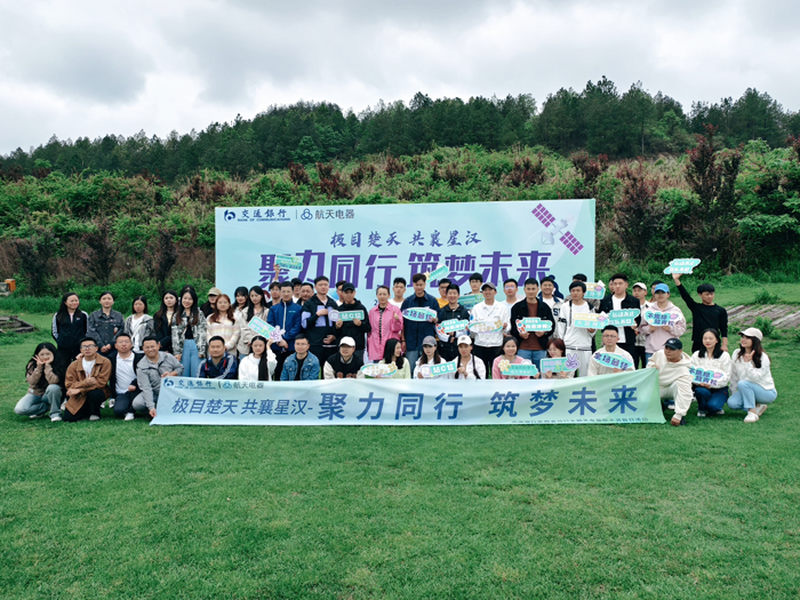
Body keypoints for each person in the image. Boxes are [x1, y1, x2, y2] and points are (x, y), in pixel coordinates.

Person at [728, 328, 777, 423]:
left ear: (755, 341)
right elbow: (733, 376)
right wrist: (733, 392)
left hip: (766, 391)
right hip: (746, 388)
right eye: (743, 337)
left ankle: (752, 412)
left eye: (747, 338)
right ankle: (758, 407)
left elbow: (755, 378)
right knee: (732, 403)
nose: (743, 340)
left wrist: (748, 363)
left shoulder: (763, 357)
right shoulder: (736, 353)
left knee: (743, 383)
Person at [672, 273, 729, 353]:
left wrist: (724, 345)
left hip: (714, 342)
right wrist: (676, 280)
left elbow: (724, 328)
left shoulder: (720, 310)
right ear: (700, 295)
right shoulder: (696, 308)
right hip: (698, 342)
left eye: (711, 294)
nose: (710, 296)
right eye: (707, 294)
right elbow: (685, 296)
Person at [132, 336, 183, 419]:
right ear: (143, 348)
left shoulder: (168, 356)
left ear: (158, 345)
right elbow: (146, 388)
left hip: (173, 390)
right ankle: (153, 412)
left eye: (152, 346)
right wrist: (151, 407)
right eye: (147, 347)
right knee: (137, 403)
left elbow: (180, 368)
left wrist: (171, 374)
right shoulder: (141, 366)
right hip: (155, 392)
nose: (150, 349)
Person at [509, 277, 556, 370]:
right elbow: (513, 328)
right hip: (523, 347)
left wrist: (544, 332)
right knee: (523, 374)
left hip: (540, 347)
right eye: (528, 289)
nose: (531, 291)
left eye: (533, 289)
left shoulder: (544, 307)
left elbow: (552, 326)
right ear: (524, 290)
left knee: (541, 373)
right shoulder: (517, 307)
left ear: (538, 290)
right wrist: (519, 334)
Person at [14, 342, 66, 422]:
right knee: (20, 409)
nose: (45, 357)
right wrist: (39, 367)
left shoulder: (59, 363)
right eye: (42, 354)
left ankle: (55, 414)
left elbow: (53, 381)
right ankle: (45, 408)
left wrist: (47, 366)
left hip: (52, 394)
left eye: (48, 354)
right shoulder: (32, 364)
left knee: (53, 387)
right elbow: (32, 382)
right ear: (37, 355)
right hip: (35, 393)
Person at [63, 337, 112, 422]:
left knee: (95, 394)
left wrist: (80, 390)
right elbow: (69, 385)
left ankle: (95, 413)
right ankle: (86, 410)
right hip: (79, 395)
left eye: (90, 346)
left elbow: (101, 383)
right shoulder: (74, 365)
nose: (87, 349)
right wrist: (86, 382)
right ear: (80, 350)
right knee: (69, 418)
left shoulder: (105, 362)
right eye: (84, 347)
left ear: (96, 348)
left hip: (96, 391)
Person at [647, 337, 693, 426]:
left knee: (679, 386)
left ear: (680, 351)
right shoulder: (659, 354)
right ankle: (659, 406)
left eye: (672, 349)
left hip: (671, 389)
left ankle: (679, 414)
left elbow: (686, 393)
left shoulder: (684, 369)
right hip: (656, 387)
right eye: (666, 348)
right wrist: (652, 365)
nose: (668, 351)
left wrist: (678, 415)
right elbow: (651, 361)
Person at [400, 273, 440, 373]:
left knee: (428, 371)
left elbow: (439, 320)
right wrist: (403, 340)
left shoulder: (432, 301)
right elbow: (402, 323)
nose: (419, 287)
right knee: (411, 369)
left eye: (421, 285)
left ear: (425, 284)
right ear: (413, 285)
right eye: (416, 285)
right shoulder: (407, 302)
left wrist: (435, 320)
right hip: (411, 343)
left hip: (428, 343)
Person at [555, 281, 596, 377]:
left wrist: (592, 331)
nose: (575, 293)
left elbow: (594, 325)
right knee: (568, 375)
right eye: (573, 291)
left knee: (585, 375)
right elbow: (561, 325)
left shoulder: (589, 307)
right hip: (569, 345)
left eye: (578, 290)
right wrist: (561, 342)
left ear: (583, 293)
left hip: (585, 345)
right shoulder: (565, 306)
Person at [470, 282, 510, 375]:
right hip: (480, 344)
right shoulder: (476, 308)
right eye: (485, 290)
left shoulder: (502, 308)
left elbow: (508, 325)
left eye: (490, 290)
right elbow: (472, 325)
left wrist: (505, 326)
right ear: (482, 293)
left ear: (495, 292)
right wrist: (470, 328)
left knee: (497, 372)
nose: (487, 292)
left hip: (496, 345)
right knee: (480, 372)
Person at [690, 328, 732, 418]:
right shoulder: (696, 355)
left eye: (710, 338)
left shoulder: (724, 356)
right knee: (700, 391)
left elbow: (727, 376)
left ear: (717, 340)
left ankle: (714, 406)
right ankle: (701, 409)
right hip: (702, 387)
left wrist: (711, 385)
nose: (707, 341)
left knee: (713, 407)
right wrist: (698, 382)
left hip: (719, 388)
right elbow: (691, 372)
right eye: (705, 338)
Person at [640, 283, 687, 361]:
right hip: (651, 350)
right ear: (654, 295)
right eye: (658, 293)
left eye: (663, 293)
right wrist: (649, 329)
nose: (660, 295)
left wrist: (670, 328)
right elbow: (641, 329)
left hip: (671, 349)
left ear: (668, 294)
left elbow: (682, 329)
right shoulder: (649, 311)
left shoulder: (675, 311)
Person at [598, 273, 640, 358]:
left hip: (628, 340)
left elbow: (638, 318)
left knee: (629, 362)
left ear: (626, 285)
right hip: (610, 341)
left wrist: (635, 325)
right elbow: (601, 318)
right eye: (615, 284)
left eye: (620, 283)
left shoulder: (633, 301)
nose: (617, 286)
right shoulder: (605, 301)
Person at [267, 281, 303, 379]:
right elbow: (270, 325)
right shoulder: (274, 309)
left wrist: (285, 339)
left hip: (291, 346)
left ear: (293, 292)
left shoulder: (298, 308)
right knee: (277, 373)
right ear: (280, 292)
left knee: (292, 374)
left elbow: (297, 326)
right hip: (276, 347)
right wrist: (279, 340)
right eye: (283, 291)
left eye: (288, 291)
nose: (286, 294)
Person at [301, 275, 339, 367]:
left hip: (331, 345)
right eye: (320, 285)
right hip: (315, 344)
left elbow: (337, 323)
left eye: (325, 285)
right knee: (314, 369)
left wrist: (334, 336)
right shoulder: (309, 303)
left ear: (328, 287)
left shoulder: (333, 303)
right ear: (315, 287)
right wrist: (317, 315)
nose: (323, 287)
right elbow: (304, 324)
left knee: (329, 370)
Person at [172, 287, 208, 378]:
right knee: (183, 373)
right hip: (183, 346)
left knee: (197, 373)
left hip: (196, 345)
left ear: (194, 300)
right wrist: (177, 352)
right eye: (185, 298)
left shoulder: (199, 313)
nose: (187, 301)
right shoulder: (177, 315)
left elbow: (202, 332)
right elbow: (175, 335)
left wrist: (202, 349)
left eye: (190, 299)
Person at [109, 333, 144, 420]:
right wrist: (82, 356)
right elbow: (97, 359)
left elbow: (144, 374)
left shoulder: (139, 358)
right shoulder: (111, 359)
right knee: (119, 411)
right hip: (122, 392)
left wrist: (134, 384)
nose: (124, 344)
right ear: (116, 346)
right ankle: (127, 407)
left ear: (131, 345)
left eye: (126, 342)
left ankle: (131, 411)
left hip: (137, 389)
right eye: (120, 342)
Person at [367, 285, 404, 363]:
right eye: (380, 294)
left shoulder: (395, 310)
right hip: (376, 347)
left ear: (389, 295)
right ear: (377, 295)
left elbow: (398, 329)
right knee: (378, 369)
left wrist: (397, 320)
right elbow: (370, 331)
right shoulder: (372, 311)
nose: (382, 296)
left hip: (390, 347)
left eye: (384, 294)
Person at [52, 292, 88, 365]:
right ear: (65, 302)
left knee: (79, 366)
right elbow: (54, 331)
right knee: (63, 367)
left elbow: (88, 330)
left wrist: (83, 343)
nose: (74, 303)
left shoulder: (83, 315)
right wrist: (61, 341)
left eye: (76, 300)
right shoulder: (58, 315)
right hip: (63, 348)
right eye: (71, 301)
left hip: (79, 348)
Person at [436, 283, 471, 361]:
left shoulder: (464, 311)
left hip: (460, 349)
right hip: (444, 349)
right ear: (446, 295)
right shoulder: (442, 311)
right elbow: (438, 329)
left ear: (458, 295)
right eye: (450, 293)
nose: (452, 296)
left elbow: (468, 330)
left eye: (454, 293)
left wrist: (455, 334)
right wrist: (448, 338)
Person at [335, 282, 371, 355]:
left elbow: (368, 328)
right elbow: (334, 332)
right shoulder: (339, 310)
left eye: (351, 292)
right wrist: (337, 327)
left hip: (358, 347)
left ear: (354, 293)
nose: (349, 295)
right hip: (343, 346)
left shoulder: (361, 308)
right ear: (342, 293)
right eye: (346, 292)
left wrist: (361, 324)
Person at [87, 291, 125, 358]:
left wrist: (111, 344)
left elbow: (121, 331)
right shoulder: (94, 315)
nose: (106, 301)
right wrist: (101, 345)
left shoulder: (119, 316)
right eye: (104, 299)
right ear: (100, 301)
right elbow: (91, 331)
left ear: (113, 301)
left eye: (109, 299)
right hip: (97, 349)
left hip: (114, 349)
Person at [235, 285, 269, 356]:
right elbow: (243, 328)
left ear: (261, 296)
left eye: (256, 295)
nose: (254, 298)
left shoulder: (267, 311)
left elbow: (267, 329)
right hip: (246, 346)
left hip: (261, 346)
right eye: (252, 296)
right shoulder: (245, 311)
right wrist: (251, 340)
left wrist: (258, 341)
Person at [152, 290, 178, 354]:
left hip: (177, 346)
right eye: (166, 298)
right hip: (162, 348)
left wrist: (165, 341)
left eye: (171, 298)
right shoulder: (158, 315)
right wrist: (163, 346)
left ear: (176, 300)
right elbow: (157, 331)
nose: (169, 300)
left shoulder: (180, 314)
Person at [631, 282, 648, 369]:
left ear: (645, 292)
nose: (636, 293)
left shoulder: (650, 307)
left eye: (639, 290)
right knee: (634, 366)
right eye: (635, 291)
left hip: (646, 342)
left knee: (647, 365)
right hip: (633, 342)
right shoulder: (629, 307)